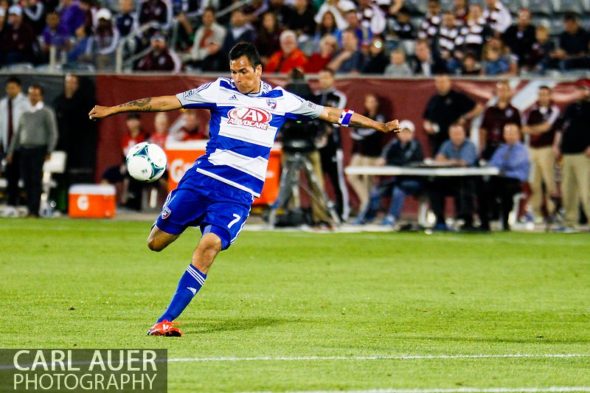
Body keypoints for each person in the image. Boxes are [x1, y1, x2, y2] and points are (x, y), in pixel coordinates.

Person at [88, 42, 400, 336]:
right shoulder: (218, 90)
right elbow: (167, 102)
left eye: (243, 71)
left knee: (208, 247)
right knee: (155, 244)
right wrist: (113, 109)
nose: (237, 78)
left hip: (237, 193)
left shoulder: (281, 100)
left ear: (259, 70)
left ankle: (165, 320)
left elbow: (333, 115)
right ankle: (178, 208)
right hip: (202, 180)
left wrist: (380, 126)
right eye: (234, 71)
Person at [356, 120, 424, 227]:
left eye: (407, 132)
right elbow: (384, 157)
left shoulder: (416, 145)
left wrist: (390, 161)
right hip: (397, 180)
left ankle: (391, 217)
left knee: (398, 191)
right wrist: (383, 160)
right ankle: (366, 216)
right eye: (402, 132)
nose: (405, 135)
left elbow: (406, 161)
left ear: (412, 134)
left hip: (413, 181)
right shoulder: (394, 144)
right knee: (376, 192)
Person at [6, 85, 58, 218]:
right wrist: (11, 151)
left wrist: (49, 150)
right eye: (31, 94)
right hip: (24, 150)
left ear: (41, 96)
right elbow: (17, 134)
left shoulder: (46, 112)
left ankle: (34, 210)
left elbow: (53, 133)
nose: (33, 97)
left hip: (38, 149)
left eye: (36, 94)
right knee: (26, 180)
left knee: (35, 180)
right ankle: (29, 208)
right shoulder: (25, 112)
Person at [313, 68, 350, 221]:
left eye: (326, 77)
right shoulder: (315, 97)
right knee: (318, 180)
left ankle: (343, 212)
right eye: (320, 78)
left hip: (333, 146)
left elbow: (341, 118)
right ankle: (320, 213)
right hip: (317, 145)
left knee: (337, 180)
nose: (323, 81)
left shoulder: (339, 97)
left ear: (332, 79)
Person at [478, 123, 529, 231]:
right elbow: (493, 163)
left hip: (515, 180)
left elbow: (512, 164)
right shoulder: (501, 148)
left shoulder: (522, 150)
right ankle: (485, 223)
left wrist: (501, 166)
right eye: (507, 133)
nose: (509, 136)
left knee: (507, 191)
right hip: (499, 178)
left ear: (518, 135)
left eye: (512, 133)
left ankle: (505, 222)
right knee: (483, 189)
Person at [554, 81, 590, 232]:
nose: (581, 92)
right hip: (567, 153)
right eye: (579, 89)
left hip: (585, 155)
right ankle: (570, 222)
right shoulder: (570, 108)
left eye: (584, 89)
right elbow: (561, 126)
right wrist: (556, 144)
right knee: (568, 190)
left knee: (587, 190)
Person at [428, 122, 477, 231]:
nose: (457, 136)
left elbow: (464, 162)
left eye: (459, 133)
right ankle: (440, 220)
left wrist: (448, 161)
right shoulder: (447, 144)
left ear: (464, 134)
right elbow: (438, 159)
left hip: (467, 181)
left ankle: (465, 220)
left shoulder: (470, 145)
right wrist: (453, 162)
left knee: (465, 187)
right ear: (450, 135)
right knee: (434, 187)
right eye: (454, 134)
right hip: (450, 180)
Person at [521, 85, 559, 223]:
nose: (543, 97)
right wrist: (536, 130)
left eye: (545, 94)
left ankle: (552, 211)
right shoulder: (532, 111)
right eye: (540, 94)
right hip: (532, 149)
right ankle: (536, 213)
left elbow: (547, 127)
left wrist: (534, 129)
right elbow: (524, 129)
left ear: (550, 96)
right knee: (534, 183)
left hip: (547, 148)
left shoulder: (554, 110)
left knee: (550, 182)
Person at [422, 75, 482, 156]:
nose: (441, 84)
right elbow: (426, 118)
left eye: (443, 82)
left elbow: (479, 108)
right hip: (438, 139)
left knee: (458, 163)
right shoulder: (433, 99)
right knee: (438, 162)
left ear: (449, 83)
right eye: (438, 82)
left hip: (456, 140)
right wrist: (427, 126)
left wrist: (465, 117)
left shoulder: (458, 96)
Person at [53, 73, 97, 184]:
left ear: (78, 85)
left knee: (78, 175)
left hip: (80, 147)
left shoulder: (85, 102)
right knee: (60, 175)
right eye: (68, 82)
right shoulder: (58, 102)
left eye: (73, 83)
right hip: (61, 145)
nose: (70, 85)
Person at [348, 93, 387, 217]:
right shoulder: (362, 116)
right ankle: (365, 201)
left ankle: (369, 208)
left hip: (372, 153)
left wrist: (359, 132)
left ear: (376, 103)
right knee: (351, 175)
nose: (370, 104)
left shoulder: (380, 117)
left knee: (367, 180)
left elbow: (371, 131)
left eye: (372, 101)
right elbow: (353, 131)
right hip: (360, 152)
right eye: (368, 101)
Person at [0, 77, 29, 215]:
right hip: (7, 145)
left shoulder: (26, 103)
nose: (10, 90)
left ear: (19, 88)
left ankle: (29, 205)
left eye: (13, 87)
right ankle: (12, 204)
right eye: (8, 88)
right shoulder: (2, 104)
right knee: (11, 177)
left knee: (26, 176)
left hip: (23, 146)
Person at [479, 80, 521, 160]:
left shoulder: (515, 111)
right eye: (500, 90)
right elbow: (483, 130)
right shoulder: (489, 110)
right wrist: (481, 147)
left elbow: (519, 132)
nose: (503, 93)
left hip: (507, 147)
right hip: (491, 146)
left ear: (509, 92)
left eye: (505, 90)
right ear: (496, 92)